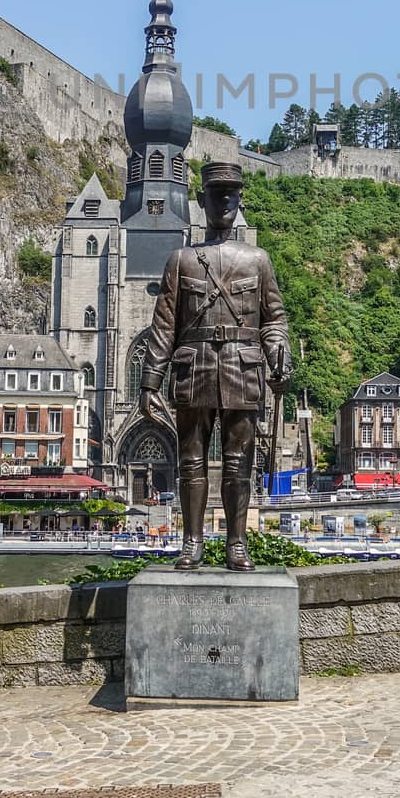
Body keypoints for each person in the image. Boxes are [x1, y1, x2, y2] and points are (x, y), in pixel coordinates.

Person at [139, 160, 291, 572]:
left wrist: (279, 349)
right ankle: (191, 542)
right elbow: (164, 325)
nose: (224, 201)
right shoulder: (181, 260)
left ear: (240, 199)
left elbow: (274, 319)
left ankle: (236, 544)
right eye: (216, 194)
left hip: (242, 370)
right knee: (190, 462)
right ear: (202, 201)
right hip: (195, 369)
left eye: (231, 194)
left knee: (239, 464)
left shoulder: (259, 260)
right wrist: (149, 383)